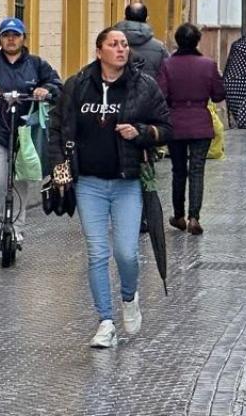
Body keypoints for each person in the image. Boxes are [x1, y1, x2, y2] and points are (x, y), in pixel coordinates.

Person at [46, 27, 171, 349]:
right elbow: (58, 129)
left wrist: (141, 131)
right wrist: (61, 171)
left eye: (124, 45)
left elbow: (167, 127)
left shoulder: (143, 86)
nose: (121, 49)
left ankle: (129, 297)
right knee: (97, 252)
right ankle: (105, 321)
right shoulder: (78, 86)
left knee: (126, 253)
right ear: (99, 50)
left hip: (127, 182)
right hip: (88, 182)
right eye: (114, 44)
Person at [0, 17, 61, 243]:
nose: (11, 40)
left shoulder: (36, 64)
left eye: (15, 35)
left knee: (19, 181)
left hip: (24, 133)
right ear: (0, 39)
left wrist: (45, 90)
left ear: (23, 38)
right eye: (6, 35)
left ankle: (17, 225)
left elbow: (56, 85)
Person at [155, 23, 224, 235]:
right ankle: (194, 216)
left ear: (177, 40)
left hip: (175, 123)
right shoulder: (209, 64)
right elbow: (218, 95)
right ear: (197, 41)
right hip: (201, 124)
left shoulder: (167, 65)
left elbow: (160, 93)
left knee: (178, 170)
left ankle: (178, 215)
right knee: (197, 171)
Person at [114, 3, 170, 80]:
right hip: (149, 91)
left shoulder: (109, 44)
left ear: (124, 18)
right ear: (147, 19)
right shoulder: (159, 49)